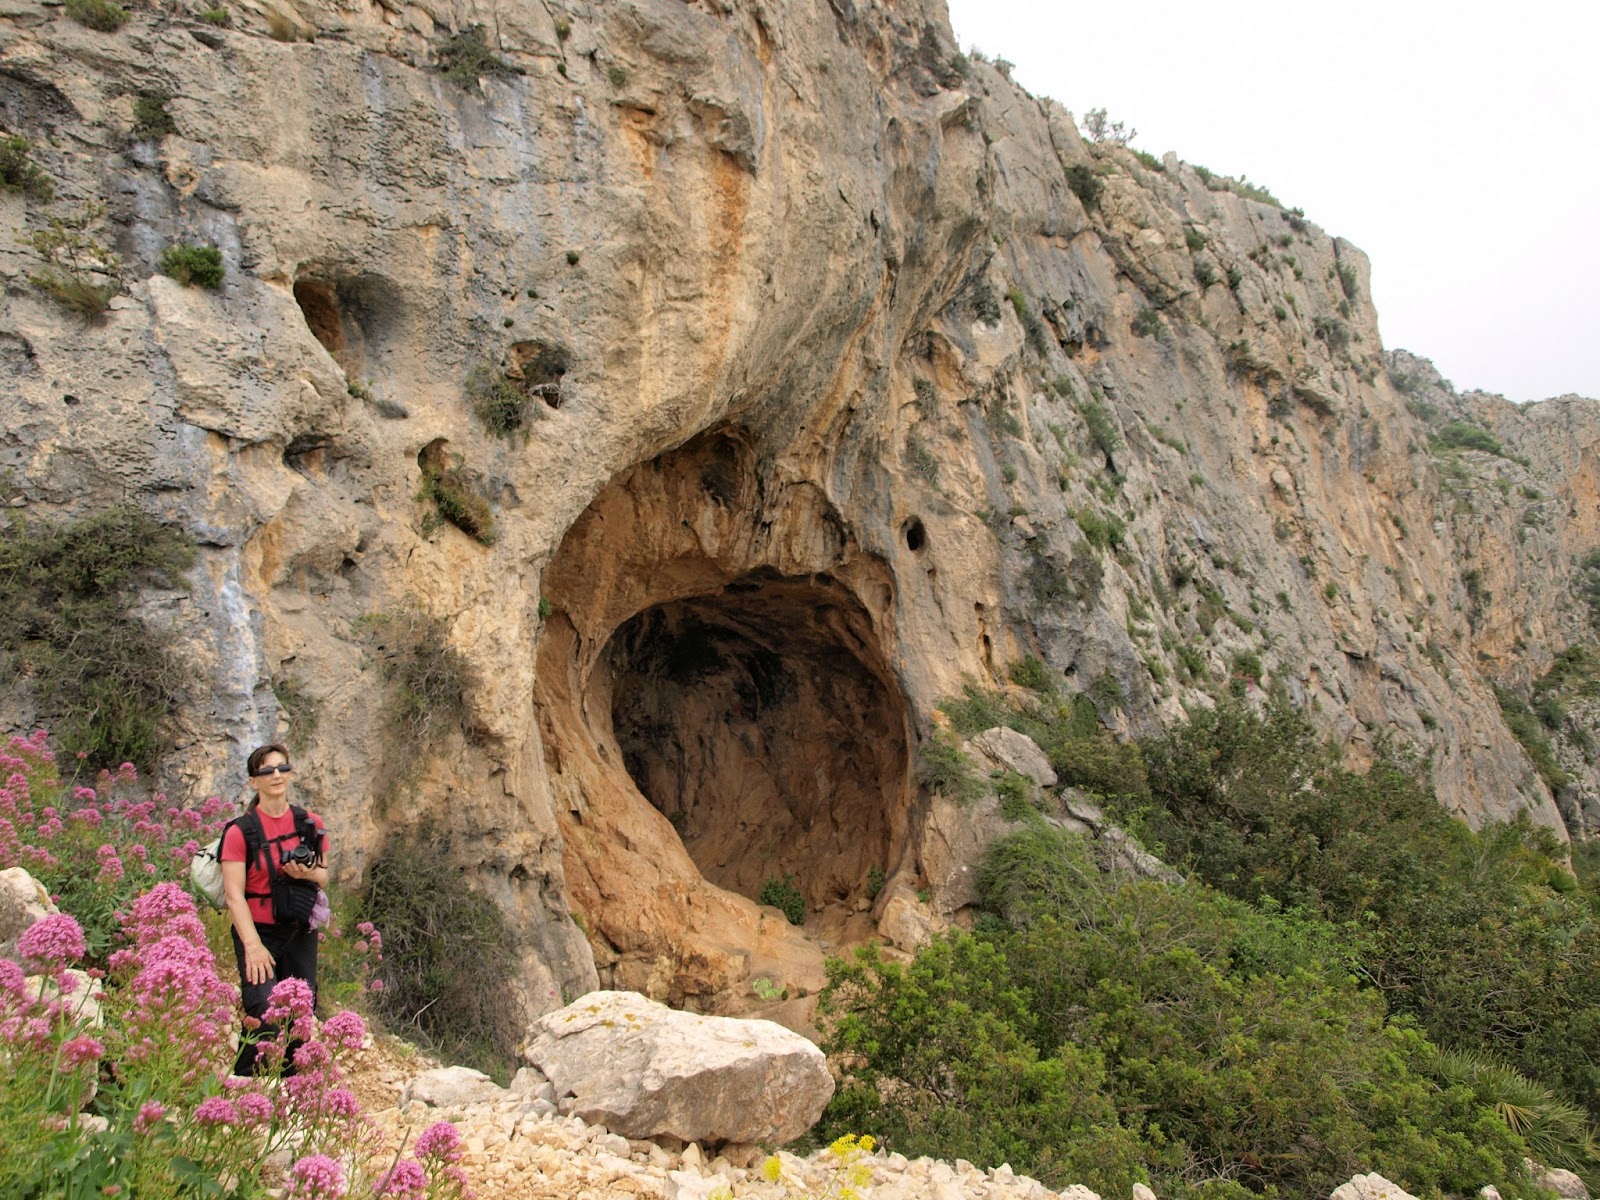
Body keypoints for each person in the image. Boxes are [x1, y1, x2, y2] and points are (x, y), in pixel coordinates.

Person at [221, 743, 328, 1075]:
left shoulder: (309, 823)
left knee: (300, 1017)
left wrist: (306, 873)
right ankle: (242, 1087)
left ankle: (288, 1090)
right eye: (267, 771)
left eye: (282, 768)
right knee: (263, 1012)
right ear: (254, 781)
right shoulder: (240, 832)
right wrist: (252, 947)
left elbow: (323, 876)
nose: (276, 775)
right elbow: (234, 895)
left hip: (299, 931)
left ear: (290, 773)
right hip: (259, 933)